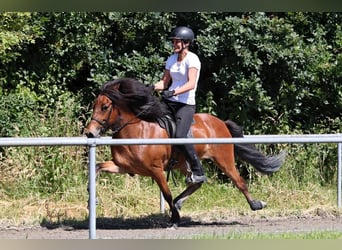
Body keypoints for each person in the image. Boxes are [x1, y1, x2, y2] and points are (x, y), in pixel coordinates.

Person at [154, 26, 207, 184]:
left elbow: (191, 84)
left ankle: (197, 171)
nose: (175, 44)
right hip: (170, 102)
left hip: (185, 104)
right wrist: (150, 87)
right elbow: (164, 82)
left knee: (180, 136)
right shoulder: (171, 59)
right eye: (174, 41)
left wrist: (173, 92)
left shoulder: (192, 59)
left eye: (177, 41)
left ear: (186, 43)